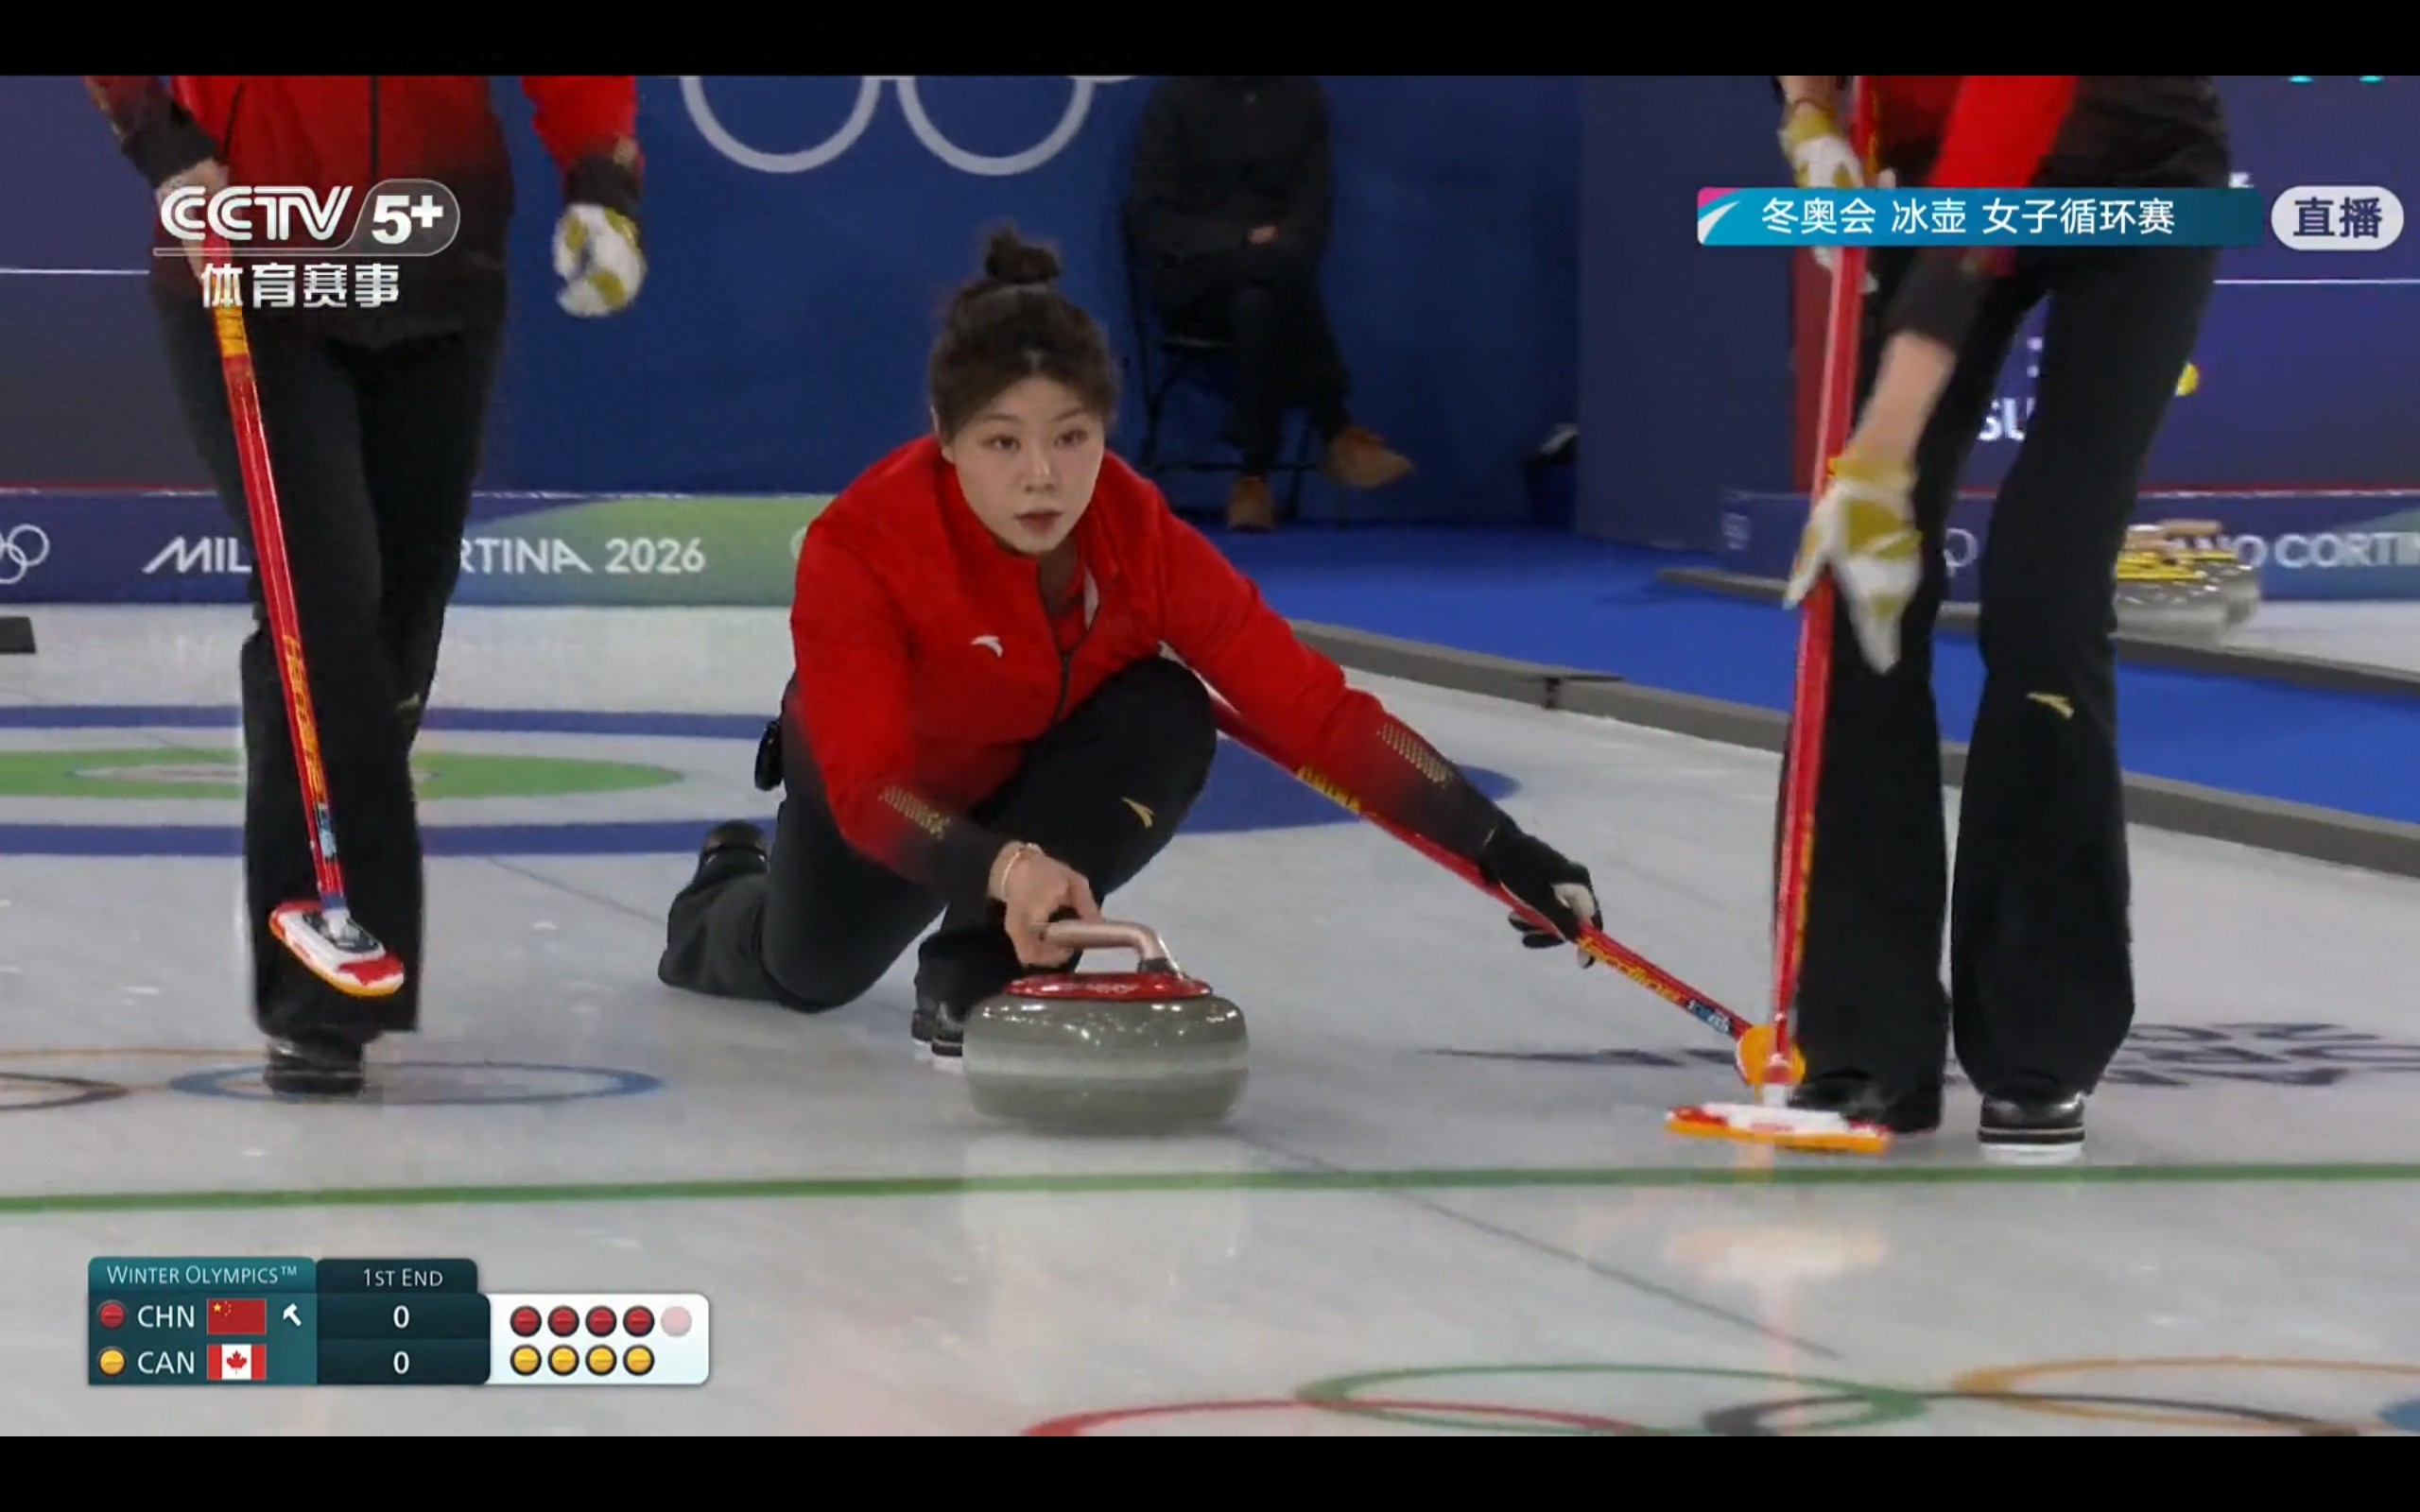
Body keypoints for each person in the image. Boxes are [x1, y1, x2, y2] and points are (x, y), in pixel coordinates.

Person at [659, 225, 1605, 1058]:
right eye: (1002, 444)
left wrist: (1504, 848)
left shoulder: (1137, 533)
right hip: (898, 795)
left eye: (1071, 438)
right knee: (804, 976)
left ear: (1106, 428)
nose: (1043, 477)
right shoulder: (860, 545)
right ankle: (731, 877)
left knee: (1168, 708)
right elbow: (867, 791)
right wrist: (1003, 865)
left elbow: (1316, 712)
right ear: (943, 437)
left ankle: (979, 965)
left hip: (1033, 773)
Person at [85, 75, 648, 1096]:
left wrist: (599, 174)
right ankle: (321, 993)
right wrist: (161, 141)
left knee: (398, 627)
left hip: (437, 273)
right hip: (251, 262)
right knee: (320, 606)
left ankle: (339, 903)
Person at [1770, 77, 2228, 1154]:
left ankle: (2040, 1038)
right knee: (1858, 590)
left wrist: (1876, 454)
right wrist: (1805, 118)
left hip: (2136, 171)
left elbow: (1985, 188)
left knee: (2044, 586)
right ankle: (1863, 1036)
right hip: (1934, 168)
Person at [1123, 76, 1413, 532]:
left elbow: (1312, 209)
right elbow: (1151, 216)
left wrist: (1278, 248)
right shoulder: (1176, 97)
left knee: (1258, 301)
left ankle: (1254, 474)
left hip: (1275, 281)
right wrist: (1238, 241)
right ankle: (1334, 426)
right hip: (1194, 276)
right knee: (1271, 274)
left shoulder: (1302, 98)